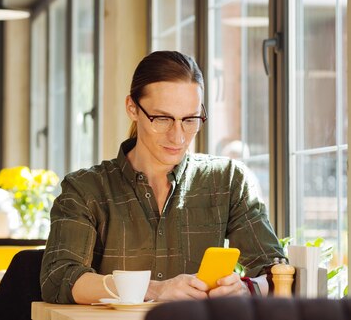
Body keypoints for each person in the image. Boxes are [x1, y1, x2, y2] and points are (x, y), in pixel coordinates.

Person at [40, 51, 284, 304]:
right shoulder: (85, 189)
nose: (178, 137)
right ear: (132, 108)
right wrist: (154, 289)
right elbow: (59, 278)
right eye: (163, 118)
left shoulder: (227, 181)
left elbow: (277, 273)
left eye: (190, 119)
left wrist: (246, 290)